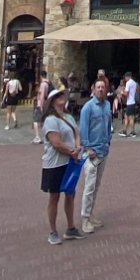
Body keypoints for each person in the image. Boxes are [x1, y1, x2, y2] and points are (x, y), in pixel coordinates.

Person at [41, 88, 82, 244]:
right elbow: (56, 143)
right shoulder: (51, 120)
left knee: (70, 194)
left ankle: (71, 228)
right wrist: (72, 150)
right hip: (55, 164)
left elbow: (76, 134)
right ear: (52, 101)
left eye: (62, 95)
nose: (61, 98)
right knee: (54, 196)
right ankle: (53, 231)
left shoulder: (69, 117)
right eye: (57, 96)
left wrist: (77, 147)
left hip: (70, 161)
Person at [76, 76, 113, 235]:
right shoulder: (88, 108)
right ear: (93, 89)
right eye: (98, 87)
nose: (100, 89)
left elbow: (108, 125)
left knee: (96, 186)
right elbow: (83, 129)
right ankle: (84, 218)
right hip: (92, 153)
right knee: (89, 187)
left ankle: (90, 214)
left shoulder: (107, 106)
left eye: (103, 87)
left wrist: (108, 141)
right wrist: (88, 147)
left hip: (103, 150)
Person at [120, 72, 140, 137]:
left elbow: (126, 94)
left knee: (128, 118)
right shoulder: (134, 83)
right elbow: (138, 91)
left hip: (130, 102)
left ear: (128, 77)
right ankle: (129, 131)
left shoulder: (128, 83)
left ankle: (128, 131)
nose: (125, 79)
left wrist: (122, 92)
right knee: (130, 117)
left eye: (125, 77)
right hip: (133, 102)